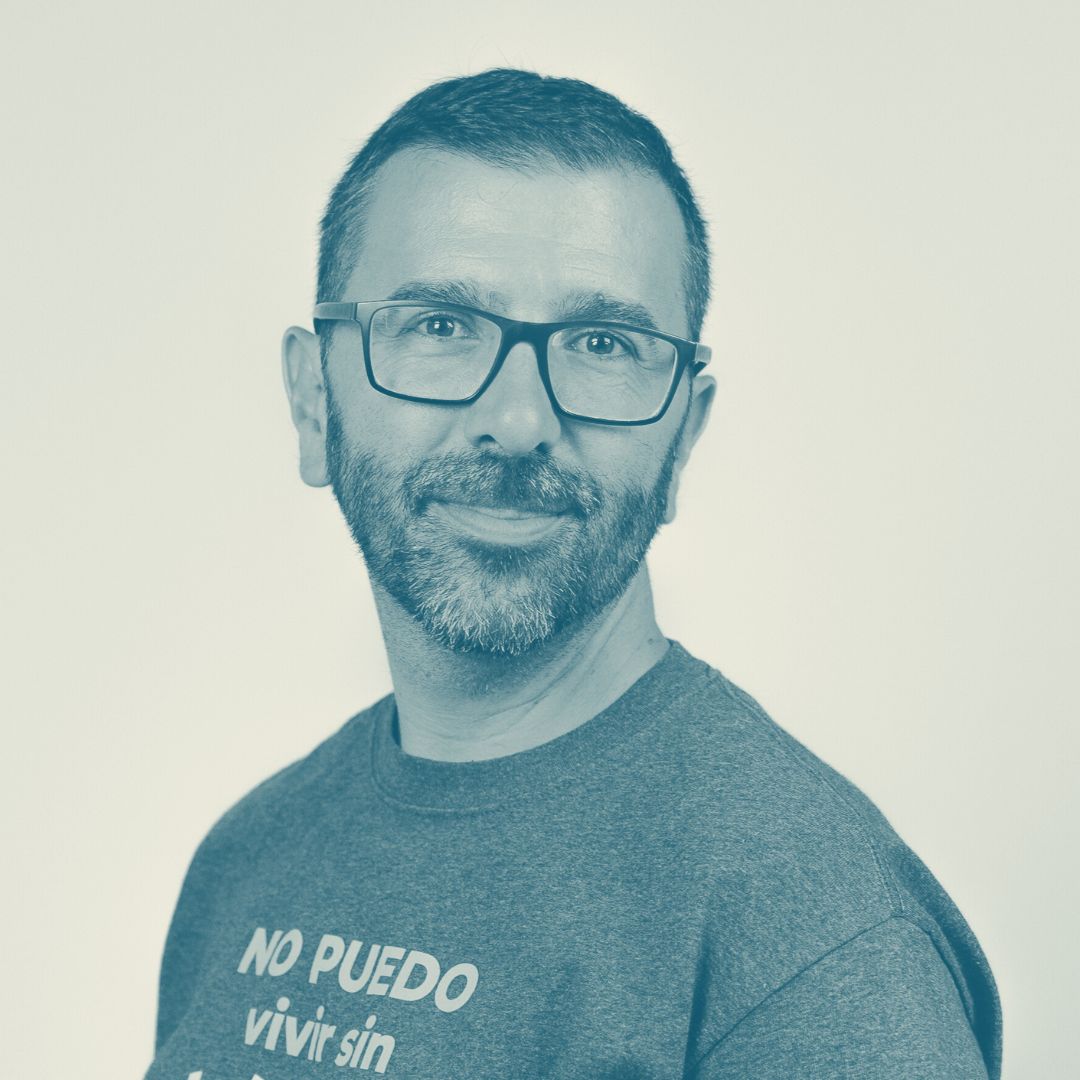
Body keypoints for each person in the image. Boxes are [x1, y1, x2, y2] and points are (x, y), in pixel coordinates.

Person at [145, 69, 1002, 1080]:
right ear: (311, 401)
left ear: (684, 435)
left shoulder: (814, 942)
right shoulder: (248, 863)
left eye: (604, 344)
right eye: (438, 325)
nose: (517, 421)